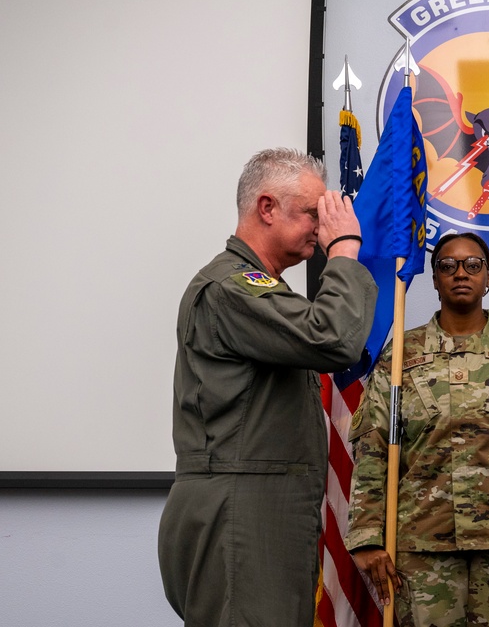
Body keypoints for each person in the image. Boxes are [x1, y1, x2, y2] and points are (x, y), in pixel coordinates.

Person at [158, 148, 377, 626]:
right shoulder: (233, 287)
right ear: (267, 208)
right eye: (312, 215)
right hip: (241, 511)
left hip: (259, 509)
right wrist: (344, 251)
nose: (321, 231)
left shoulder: (261, 287)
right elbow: (333, 337)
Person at [345, 232, 489, 627]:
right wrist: (367, 536)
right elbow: (373, 448)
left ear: (488, 277)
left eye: (473, 265)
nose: (460, 273)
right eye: (447, 266)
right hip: (423, 544)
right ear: (434, 279)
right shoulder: (402, 354)